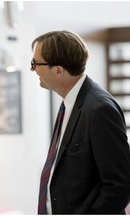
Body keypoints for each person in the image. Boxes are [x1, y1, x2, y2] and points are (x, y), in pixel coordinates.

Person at [31, 30, 130, 214]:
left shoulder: (99, 109)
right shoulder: (70, 104)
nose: (33, 69)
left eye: (35, 63)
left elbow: (120, 184)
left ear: (58, 71)